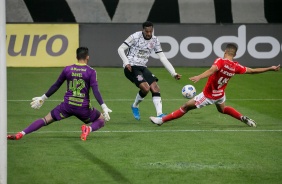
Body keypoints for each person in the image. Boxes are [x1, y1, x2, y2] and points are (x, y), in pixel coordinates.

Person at [150, 43, 280, 126]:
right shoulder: (236, 66)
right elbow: (252, 71)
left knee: (185, 107)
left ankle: (161, 120)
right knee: (222, 109)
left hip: (209, 95)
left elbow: (212, 70)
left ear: (225, 52)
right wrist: (270, 68)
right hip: (220, 94)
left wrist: (199, 77)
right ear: (234, 54)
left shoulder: (221, 61)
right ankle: (242, 117)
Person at [7, 47, 112, 141]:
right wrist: (104, 106)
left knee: (45, 119)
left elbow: (56, 85)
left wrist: (43, 98)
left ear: (76, 56)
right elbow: (95, 90)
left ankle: (21, 133)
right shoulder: (91, 71)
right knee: (101, 120)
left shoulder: (68, 69)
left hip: (67, 105)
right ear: (87, 57)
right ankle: (88, 129)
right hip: (83, 108)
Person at [118, 21, 182, 120]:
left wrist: (173, 73)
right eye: (146, 31)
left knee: (155, 87)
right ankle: (135, 106)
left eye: (150, 31)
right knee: (146, 88)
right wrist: (126, 62)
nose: (148, 34)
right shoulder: (135, 36)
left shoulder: (155, 40)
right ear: (143, 30)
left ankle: (160, 114)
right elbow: (121, 49)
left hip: (142, 67)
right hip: (131, 67)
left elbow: (163, 57)